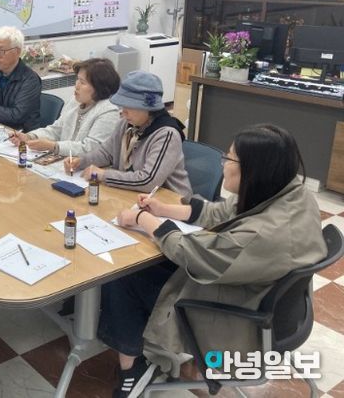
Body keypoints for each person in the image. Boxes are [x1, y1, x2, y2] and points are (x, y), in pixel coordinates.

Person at [99, 124, 328, 397]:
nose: (224, 164)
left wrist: (142, 218)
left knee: (123, 277)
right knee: (154, 262)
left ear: (253, 170)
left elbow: (188, 252)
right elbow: (224, 211)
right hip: (271, 303)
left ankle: (132, 369)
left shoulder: (259, 235)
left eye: (229, 158)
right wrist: (163, 209)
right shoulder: (292, 193)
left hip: (236, 318)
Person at [64, 70, 192, 200]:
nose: (123, 111)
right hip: (134, 196)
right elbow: (106, 153)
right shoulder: (126, 124)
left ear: (148, 108)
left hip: (170, 202)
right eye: (122, 105)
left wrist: (103, 175)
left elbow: (148, 180)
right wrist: (81, 161)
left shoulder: (167, 135)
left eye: (129, 106)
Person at [9, 58, 120, 156]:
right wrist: (29, 137)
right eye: (77, 79)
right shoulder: (75, 102)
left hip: (87, 169)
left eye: (82, 82)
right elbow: (56, 130)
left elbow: (90, 148)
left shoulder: (108, 112)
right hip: (65, 162)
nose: (76, 85)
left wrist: (54, 146)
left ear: (99, 87)